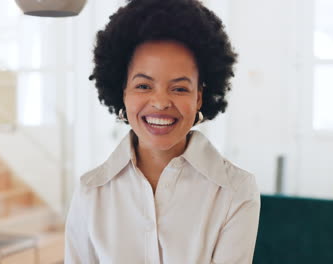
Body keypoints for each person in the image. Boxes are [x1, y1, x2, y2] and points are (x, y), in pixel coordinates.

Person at [65, 0, 260, 263]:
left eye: (179, 88)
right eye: (144, 86)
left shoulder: (236, 191)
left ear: (199, 98)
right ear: (122, 92)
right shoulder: (90, 192)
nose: (160, 102)